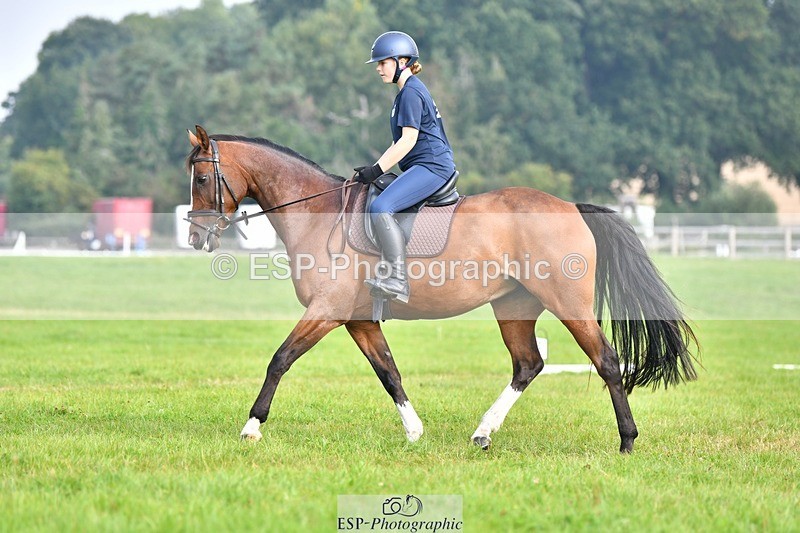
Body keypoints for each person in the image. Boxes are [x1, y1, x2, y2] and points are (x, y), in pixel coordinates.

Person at [354, 31, 457, 304]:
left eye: (383, 62)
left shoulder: (411, 92)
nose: (378, 69)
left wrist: (376, 170)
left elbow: (408, 140)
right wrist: (374, 168)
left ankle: (397, 279)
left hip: (432, 166)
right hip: (422, 165)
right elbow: (396, 142)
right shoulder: (404, 94)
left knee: (379, 207)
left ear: (402, 61)